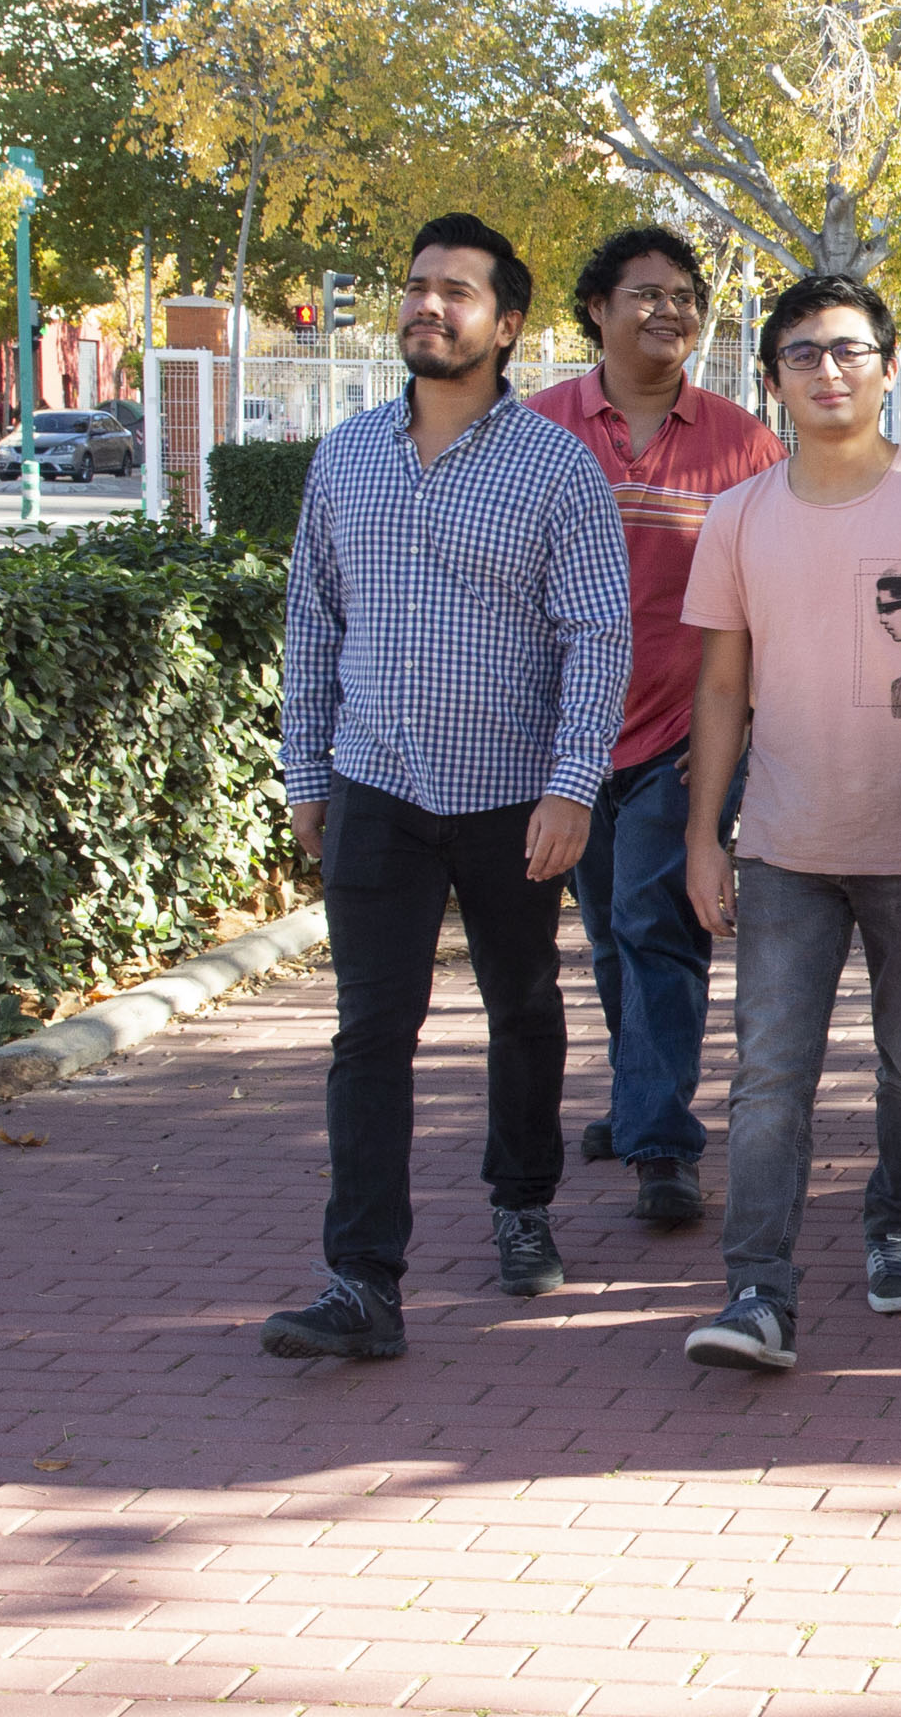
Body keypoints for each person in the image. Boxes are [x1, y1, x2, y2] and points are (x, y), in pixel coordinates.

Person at [261, 213, 632, 1362]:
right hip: (375, 786)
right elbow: (312, 618)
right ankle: (362, 1279)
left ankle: (522, 1202)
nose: (428, 304)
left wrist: (573, 784)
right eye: (417, 285)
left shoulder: (557, 468)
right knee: (371, 1030)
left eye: (456, 290)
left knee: (522, 1005)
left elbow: (598, 634)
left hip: (512, 796)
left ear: (506, 323)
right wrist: (306, 770)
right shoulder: (347, 455)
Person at [678, 275, 901, 1372]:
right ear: (771, 376)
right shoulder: (738, 516)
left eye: (850, 349)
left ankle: (898, 1225)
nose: (828, 370)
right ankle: (756, 1292)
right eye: (803, 353)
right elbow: (720, 689)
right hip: (784, 845)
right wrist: (703, 835)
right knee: (768, 1076)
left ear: (890, 366)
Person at [530, 226, 787, 1227]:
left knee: (655, 923)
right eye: (646, 293)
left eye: (684, 296)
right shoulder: (538, 429)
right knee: (606, 929)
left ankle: (661, 1143)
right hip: (567, 737)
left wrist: (748, 717)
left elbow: (775, 593)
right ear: (596, 309)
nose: (669, 310)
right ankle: (639, 1089)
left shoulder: (742, 443)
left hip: (687, 733)